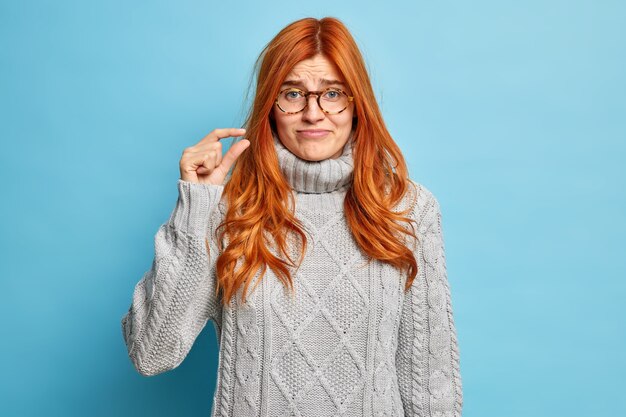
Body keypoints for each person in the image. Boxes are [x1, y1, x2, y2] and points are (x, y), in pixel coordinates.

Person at [121, 16, 463, 417]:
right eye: (293, 93)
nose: (313, 113)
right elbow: (151, 352)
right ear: (270, 105)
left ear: (358, 104)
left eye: (333, 93)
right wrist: (196, 206)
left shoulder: (408, 209)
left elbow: (429, 385)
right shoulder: (225, 210)